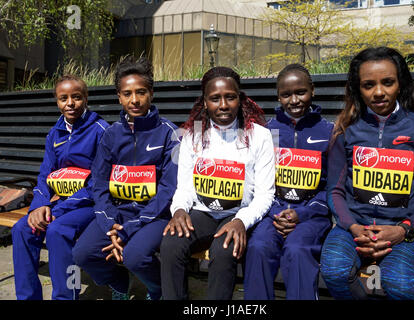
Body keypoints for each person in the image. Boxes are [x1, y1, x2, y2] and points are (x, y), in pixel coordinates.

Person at [320, 47, 414, 300]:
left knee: (399, 285)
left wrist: (403, 230)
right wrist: (354, 227)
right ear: (358, 88)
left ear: (400, 84)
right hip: (353, 229)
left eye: (387, 82)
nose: (379, 92)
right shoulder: (346, 128)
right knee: (334, 271)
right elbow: (334, 191)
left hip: (404, 232)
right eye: (368, 85)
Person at [160, 66, 275, 300]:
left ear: (239, 99)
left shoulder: (260, 135)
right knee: (171, 243)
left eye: (230, 97)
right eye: (215, 98)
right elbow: (184, 188)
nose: (223, 105)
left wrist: (241, 221)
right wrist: (179, 209)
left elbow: (265, 194)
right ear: (204, 102)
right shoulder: (192, 135)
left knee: (224, 251)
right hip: (203, 213)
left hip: (238, 215)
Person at [71, 56, 179, 300]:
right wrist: (110, 223)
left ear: (151, 93)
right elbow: (98, 183)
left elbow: (168, 189)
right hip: (118, 213)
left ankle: (157, 289)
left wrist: (131, 228)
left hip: (154, 215)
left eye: (141, 92)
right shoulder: (110, 134)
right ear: (118, 97)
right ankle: (119, 281)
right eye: (127, 93)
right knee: (83, 254)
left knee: (135, 256)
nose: (135, 100)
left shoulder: (170, 134)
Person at [12, 75, 109, 300]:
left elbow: (99, 182)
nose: (70, 103)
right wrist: (39, 205)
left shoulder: (101, 130)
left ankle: (67, 295)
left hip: (90, 204)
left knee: (58, 232)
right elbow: (45, 174)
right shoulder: (55, 133)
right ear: (57, 101)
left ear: (86, 99)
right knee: (21, 230)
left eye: (76, 97)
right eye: (63, 98)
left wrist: (58, 210)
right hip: (59, 204)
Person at [244, 64, 333, 300]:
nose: (294, 100)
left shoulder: (330, 132)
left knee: (297, 249)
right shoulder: (266, 132)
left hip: (312, 216)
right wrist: (275, 212)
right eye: (286, 94)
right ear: (278, 96)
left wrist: (302, 214)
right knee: (258, 247)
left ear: (312, 91)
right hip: (273, 213)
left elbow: (332, 187)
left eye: (301, 92)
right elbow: (257, 183)